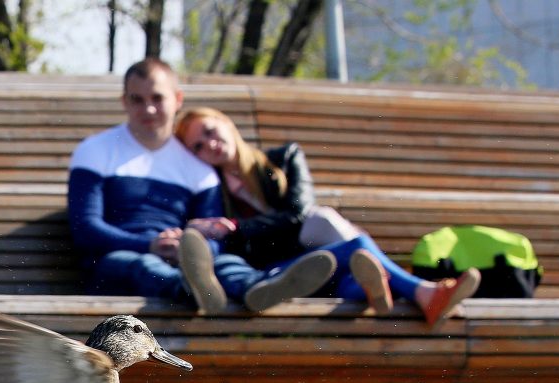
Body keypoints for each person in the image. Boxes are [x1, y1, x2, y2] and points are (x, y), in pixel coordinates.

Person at [66, 58, 337, 315]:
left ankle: (259, 288)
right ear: (124, 102)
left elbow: (212, 237)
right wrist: (149, 245)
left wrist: (187, 248)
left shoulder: (199, 168)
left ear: (177, 99)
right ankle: (190, 290)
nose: (148, 109)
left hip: (182, 257)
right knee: (144, 265)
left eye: (157, 98)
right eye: (137, 100)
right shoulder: (95, 151)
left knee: (225, 263)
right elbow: (85, 229)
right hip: (115, 263)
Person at [173, 106, 481, 326]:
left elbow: (298, 214)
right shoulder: (213, 191)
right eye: (198, 146)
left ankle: (377, 286)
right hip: (284, 272)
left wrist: (238, 228)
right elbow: (243, 251)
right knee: (354, 246)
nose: (210, 146)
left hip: (318, 260)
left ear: (227, 124)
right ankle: (421, 291)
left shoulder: (284, 158)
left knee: (328, 230)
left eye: (211, 132)